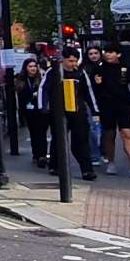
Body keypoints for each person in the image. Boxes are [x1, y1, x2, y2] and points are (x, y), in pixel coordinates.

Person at [91, 43, 130, 178]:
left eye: (111, 52)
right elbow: (94, 90)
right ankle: (111, 162)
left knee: (127, 133)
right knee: (109, 134)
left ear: (118, 54)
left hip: (123, 105)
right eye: (106, 52)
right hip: (106, 107)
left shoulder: (127, 68)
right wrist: (97, 84)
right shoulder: (98, 69)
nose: (108, 55)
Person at [43, 47, 99, 180]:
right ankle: (54, 166)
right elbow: (43, 89)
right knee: (58, 139)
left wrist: (95, 110)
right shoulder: (53, 72)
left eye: (75, 61)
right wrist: (43, 107)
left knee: (81, 141)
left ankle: (87, 170)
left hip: (78, 111)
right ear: (63, 59)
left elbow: (89, 92)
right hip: (59, 112)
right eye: (70, 61)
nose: (73, 64)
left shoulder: (80, 73)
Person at [16, 57, 51, 168]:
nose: (33, 68)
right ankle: (36, 154)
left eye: (34, 66)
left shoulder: (41, 78)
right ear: (25, 68)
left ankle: (42, 156)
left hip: (41, 110)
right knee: (33, 133)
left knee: (42, 133)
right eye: (30, 66)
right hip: (29, 111)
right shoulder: (21, 81)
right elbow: (20, 96)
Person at [82, 45, 105, 165]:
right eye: (91, 54)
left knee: (105, 128)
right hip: (90, 102)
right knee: (92, 129)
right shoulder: (84, 69)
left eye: (96, 53)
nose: (94, 56)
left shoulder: (106, 67)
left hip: (104, 101)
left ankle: (104, 152)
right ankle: (95, 154)